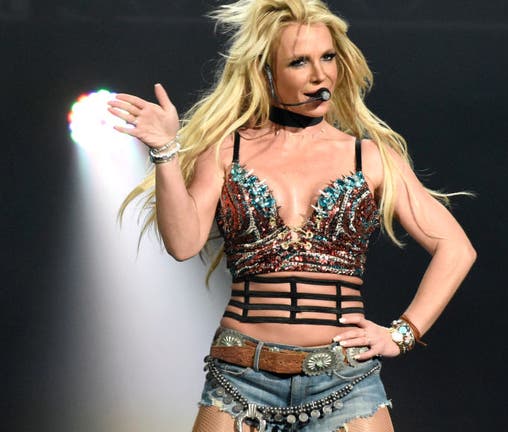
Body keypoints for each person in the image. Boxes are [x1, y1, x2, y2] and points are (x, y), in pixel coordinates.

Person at [108, 0, 476, 430]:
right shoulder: (228, 150)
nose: (320, 75)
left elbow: (456, 248)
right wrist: (165, 151)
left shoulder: (370, 157)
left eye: (328, 57)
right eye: (299, 62)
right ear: (267, 72)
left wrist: (402, 334)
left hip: (345, 378)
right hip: (240, 375)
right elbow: (183, 243)